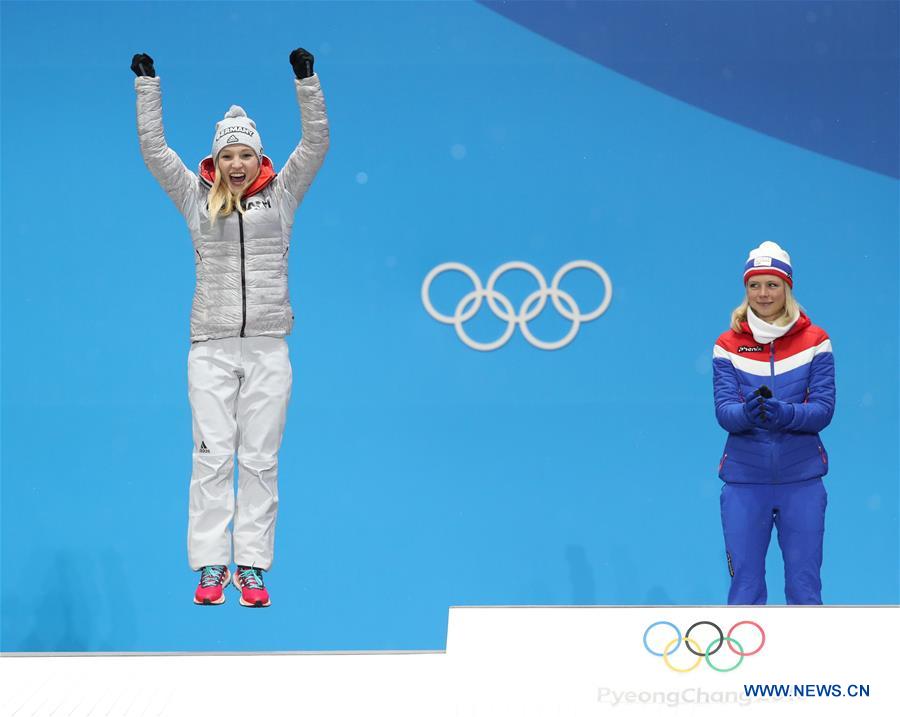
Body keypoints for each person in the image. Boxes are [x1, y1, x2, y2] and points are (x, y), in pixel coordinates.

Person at [132, 48, 329, 607]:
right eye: (228, 156)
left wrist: (306, 82)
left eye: (246, 154)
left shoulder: (282, 196)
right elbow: (154, 151)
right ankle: (211, 565)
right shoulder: (197, 201)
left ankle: (251, 567)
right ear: (215, 163)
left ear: (258, 159)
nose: (237, 164)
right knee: (212, 456)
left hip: (269, 347)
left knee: (260, 459)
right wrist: (149, 87)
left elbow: (315, 144)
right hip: (211, 348)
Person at [712, 241, 835, 605]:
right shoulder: (727, 344)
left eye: (772, 284)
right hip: (744, 483)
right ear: (746, 289)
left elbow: (824, 409)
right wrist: (748, 413)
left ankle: (809, 664)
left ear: (787, 288)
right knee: (745, 590)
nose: (763, 294)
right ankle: (746, 663)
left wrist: (787, 414)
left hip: (802, 482)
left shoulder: (817, 341)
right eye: (755, 285)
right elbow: (724, 412)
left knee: (804, 590)